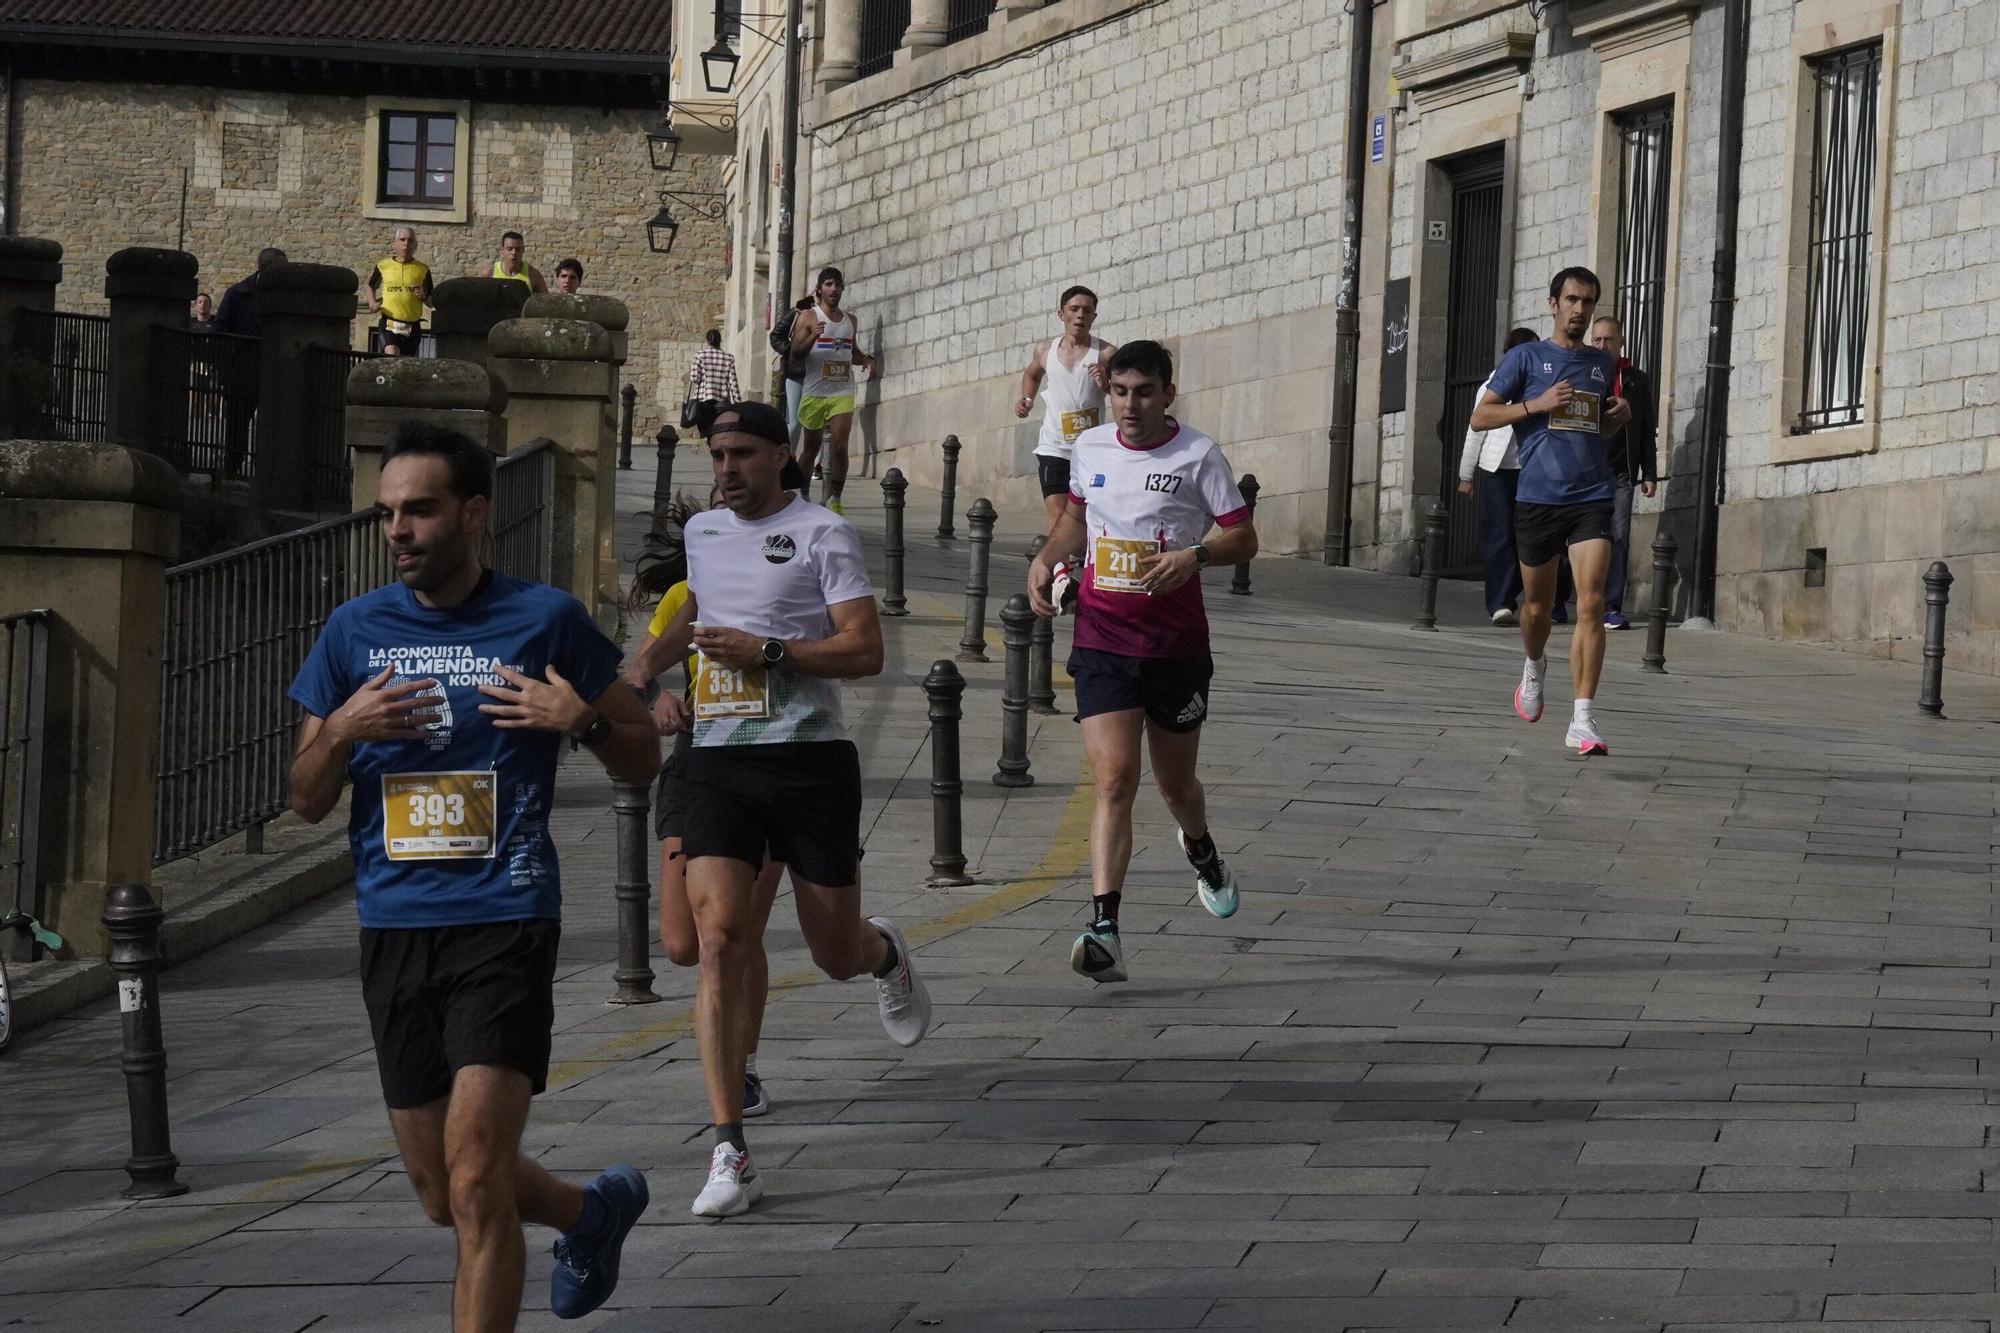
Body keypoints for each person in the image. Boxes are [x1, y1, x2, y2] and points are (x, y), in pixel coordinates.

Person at [286, 422, 660, 1326]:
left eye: (420, 510)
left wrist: (582, 720)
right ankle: (589, 1209)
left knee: (476, 1181)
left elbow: (644, 755)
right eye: (388, 514)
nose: (399, 531)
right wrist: (340, 731)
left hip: (506, 919)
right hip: (394, 928)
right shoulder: (352, 632)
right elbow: (301, 798)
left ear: (475, 512)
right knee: (437, 1189)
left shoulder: (545, 620)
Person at [645, 400, 929, 1217]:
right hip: (719, 763)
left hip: (810, 761)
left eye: (740, 454)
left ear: (779, 456)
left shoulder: (823, 534)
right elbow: (697, 609)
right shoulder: (702, 532)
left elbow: (866, 650)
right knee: (719, 937)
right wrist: (645, 670)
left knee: (833, 948)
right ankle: (730, 1146)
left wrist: (769, 652)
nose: (725, 468)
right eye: (716, 454)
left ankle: (886, 957)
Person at [1025, 341, 1259, 984]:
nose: (1130, 405)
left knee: (1176, 785)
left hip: (1176, 648)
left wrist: (1196, 557)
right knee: (1113, 781)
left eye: (1144, 392)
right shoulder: (1090, 448)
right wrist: (1047, 556)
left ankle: (1202, 848)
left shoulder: (1198, 455)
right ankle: (1106, 927)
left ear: (1167, 395)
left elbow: (1244, 537)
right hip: (1102, 640)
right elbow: (1076, 521)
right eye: (1121, 392)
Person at [623, 486, 784, 1122]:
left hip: (773, 754)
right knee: (683, 944)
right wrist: (658, 697)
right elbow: (644, 667)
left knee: (735, 932)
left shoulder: (790, 573)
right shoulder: (681, 596)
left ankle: (739, 1068)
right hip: (696, 757)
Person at [1468, 266, 1634, 757]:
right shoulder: (1526, 357)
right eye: (1572, 300)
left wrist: (1616, 420)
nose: (1580, 310)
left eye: (1588, 301)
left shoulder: (1602, 365)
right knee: (1537, 609)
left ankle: (1583, 719)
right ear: (1553, 303)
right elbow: (1481, 416)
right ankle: (1533, 663)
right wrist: (1535, 404)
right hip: (1537, 497)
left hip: (1591, 496)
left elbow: (1593, 429)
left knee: (1590, 603)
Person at [1016, 286, 1117, 536]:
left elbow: (1124, 396)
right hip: (1054, 446)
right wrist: (1027, 399)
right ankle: (1060, 573)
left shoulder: (1106, 354)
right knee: (1057, 512)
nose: (1080, 315)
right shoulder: (1045, 351)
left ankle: (1078, 562)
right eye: (1074, 309)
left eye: (1087, 310)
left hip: (1090, 449)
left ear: (1094, 317)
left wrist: (1106, 384)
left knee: (1087, 514)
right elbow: (1032, 373)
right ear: (1061, 314)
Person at [1456, 327, 1539, 625]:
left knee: (1527, 537)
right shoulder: (1492, 386)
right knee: (1500, 534)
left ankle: (1527, 595)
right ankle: (1500, 602)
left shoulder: (1539, 385)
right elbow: (1475, 432)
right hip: (1496, 471)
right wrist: (1466, 476)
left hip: (1530, 469)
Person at [1587, 316, 1659, 629]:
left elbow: (1645, 429)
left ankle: (1611, 606)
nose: (1603, 345)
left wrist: (1649, 472)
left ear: (1622, 342)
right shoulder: (1583, 373)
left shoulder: (1636, 381)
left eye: (1609, 340)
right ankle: (1563, 599)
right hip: (1586, 471)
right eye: (1597, 340)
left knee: (1617, 538)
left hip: (1620, 474)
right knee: (1577, 537)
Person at [788, 267, 877, 516]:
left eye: (837, 285)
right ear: (820, 289)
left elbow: (852, 352)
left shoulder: (851, 321)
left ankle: (835, 499)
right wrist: (811, 338)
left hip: (842, 392)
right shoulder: (808, 317)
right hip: (815, 392)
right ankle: (804, 495)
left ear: (842, 289)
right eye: (828, 284)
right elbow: (795, 355)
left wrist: (867, 360)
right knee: (810, 448)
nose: (833, 289)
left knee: (839, 447)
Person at [212, 247, 284, 474]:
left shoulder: (283, 296)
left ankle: (266, 468)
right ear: (265, 268)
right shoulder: (238, 294)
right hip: (242, 371)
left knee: (274, 423)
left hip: (272, 371)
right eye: (281, 268)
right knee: (237, 423)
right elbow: (219, 332)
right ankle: (232, 465)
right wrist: (229, 366)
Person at [368, 226, 434, 357]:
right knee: (392, 355)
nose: (406, 244)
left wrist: (423, 296)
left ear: (415, 245)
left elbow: (431, 303)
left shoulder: (423, 269)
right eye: (402, 239)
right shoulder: (383, 265)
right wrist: (372, 302)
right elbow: (371, 286)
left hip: (412, 327)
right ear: (395, 243)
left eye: (410, 240)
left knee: (405, 365)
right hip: (389, 323)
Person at [686, 331, 740, 439]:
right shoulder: (728, 357)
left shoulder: (700, 355)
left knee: (705, 431)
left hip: (703, 400)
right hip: (721, 401)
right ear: (720, 341)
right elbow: (733, 382)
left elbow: (694, 378)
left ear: (707, 341)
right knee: (718, 429)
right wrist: (738, 403)